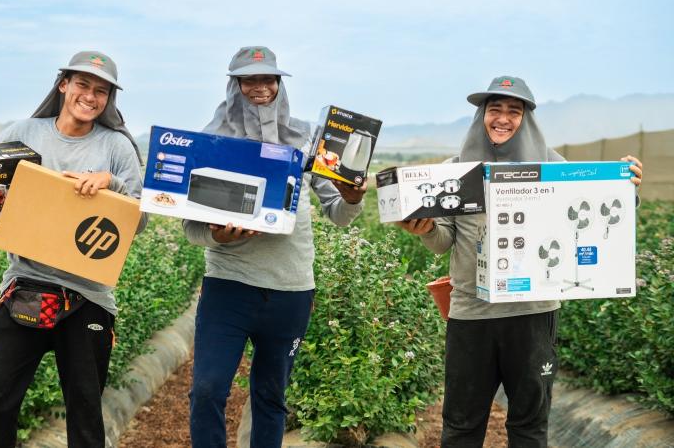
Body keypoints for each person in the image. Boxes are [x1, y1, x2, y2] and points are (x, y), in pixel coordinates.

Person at [398, 75, 643, 447]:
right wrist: (425, 228)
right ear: (482, 115)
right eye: (494, 109)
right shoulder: (456, 171)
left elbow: (591, 206)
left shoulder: (551, 164)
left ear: (526, 118)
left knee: (529, 423)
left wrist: (625, 190)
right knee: (462, 424)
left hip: (532, 314)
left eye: (514, 111)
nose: (503, 118)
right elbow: (442, 241)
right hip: (472, 313)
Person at [0, 51, 147, 448]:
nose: (90, 96)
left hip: (88, 295)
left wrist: (110, 184)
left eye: (101, 91)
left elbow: (139, 220)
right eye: (82, 84)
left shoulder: (116, 148)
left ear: (109, 99)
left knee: (84, 407)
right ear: (63, 84)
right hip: (25, 285)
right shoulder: (25, 132)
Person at [184, 46, 367, 448]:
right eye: (250, 79)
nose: (260, 87)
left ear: (279, 85)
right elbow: (191, 226)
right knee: (208, 391)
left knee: (271, 397)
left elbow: (337, 212)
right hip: (229, 285)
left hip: (290, 290)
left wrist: (352, 198)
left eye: (269, 79)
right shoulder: (213, 142)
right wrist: (218, 235)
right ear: (235, 86)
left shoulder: (306, 139)